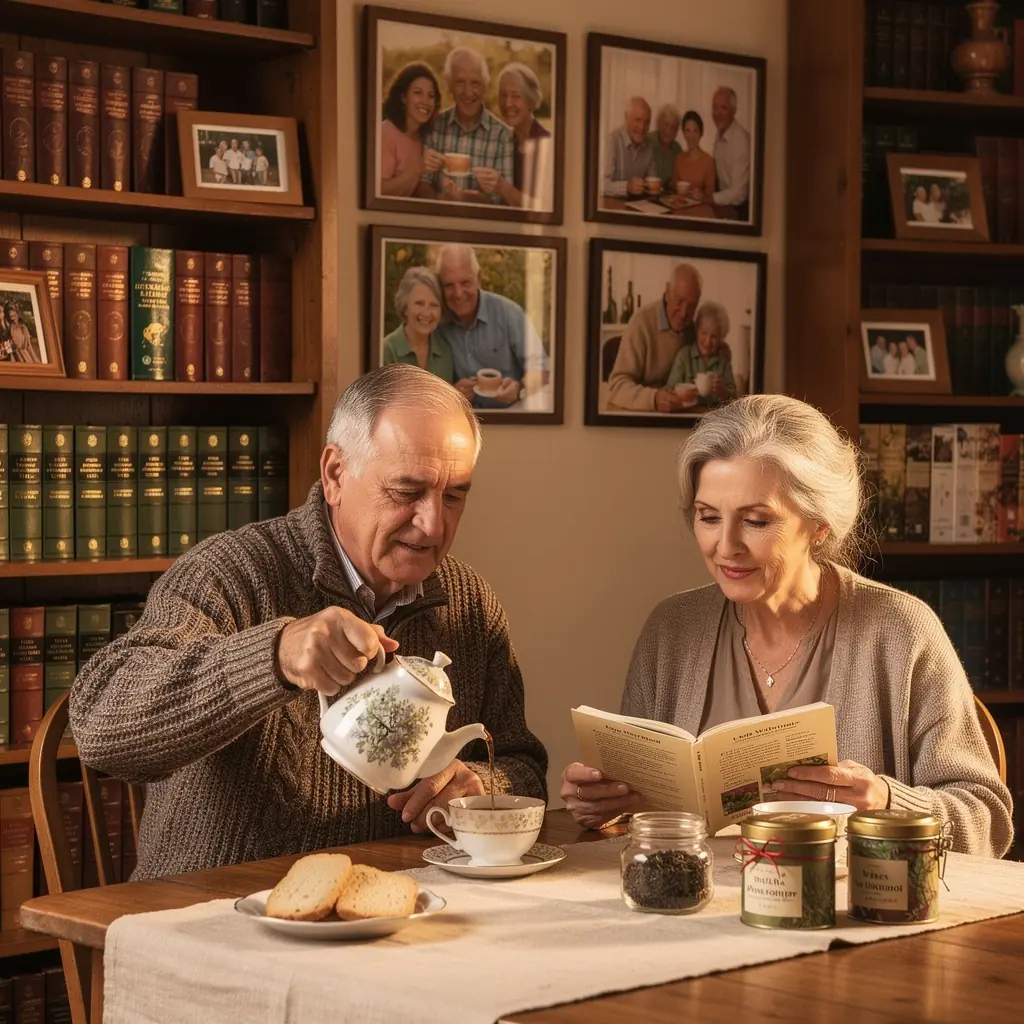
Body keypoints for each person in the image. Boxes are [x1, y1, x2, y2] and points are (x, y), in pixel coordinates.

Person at [69, 364, 548, 878]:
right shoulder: (230, 573)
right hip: (214, 917)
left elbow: (523, 766)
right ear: (335, 474)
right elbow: (102, 726)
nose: (434, 524)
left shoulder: (468, 602)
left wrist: (475, 784)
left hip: (395, 912)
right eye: (407, 493)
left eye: (454, 495)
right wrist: (273, 657)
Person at [560, 395, 1013, 857]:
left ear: (818, 525)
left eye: (756, 521)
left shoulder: (900, 632)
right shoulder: (672, 630)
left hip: (845, 913)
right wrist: (606, 803)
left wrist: (886, 803)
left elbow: (988, 819)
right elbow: (642, 814)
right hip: (693, 908)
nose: (726, 546)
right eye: (708, 517)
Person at [432, 243, 548, 410]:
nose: (458, 293)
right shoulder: (436, 322)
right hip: (462, 422)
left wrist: (520, 388)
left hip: (509, 417)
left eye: (465, 283)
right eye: (449, 285)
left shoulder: (508, 313)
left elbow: (541, 367)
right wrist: (451, 393)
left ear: (479, 278)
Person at [420, 47, 514, 204]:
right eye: (460, 82)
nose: (468, 92)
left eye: (475, 83)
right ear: (449, 85)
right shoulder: (434, 125)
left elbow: (505, 201)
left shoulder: (502, 135)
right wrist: (439, 201)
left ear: (485, 86)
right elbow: (422, 183)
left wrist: (475, 201)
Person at [607, 262, 702, 412]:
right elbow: (617, 386)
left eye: (691, 306)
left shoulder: (694, 329)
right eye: (679, 302)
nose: (684, 313)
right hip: (643, 420)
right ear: (667, 291)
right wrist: (654, 398)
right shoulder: (641, 322)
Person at [488, 61, 552, 210]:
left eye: (516, 97)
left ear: (531, 101)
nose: (508, 103)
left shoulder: (548, 145)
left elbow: (547, 208)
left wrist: (503, 187)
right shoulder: (501, 141)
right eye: (503, 96)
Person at [379, 61, 443, 198]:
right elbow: (378, 192)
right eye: (418, 93)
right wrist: (418, 168)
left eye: (431, 96)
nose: (425, 101)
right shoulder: (385, 133)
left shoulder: (423, 138)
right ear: (403, 97)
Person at [382, 267, 454, 383]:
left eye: (434, 305)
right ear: (405, 307)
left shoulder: (445, 350)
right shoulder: (387, 350)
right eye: (419, 303)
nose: (426, 312)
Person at [665, 301, 737, 402]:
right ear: (696, 330)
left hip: (713, 415)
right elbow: (669, 389)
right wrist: (681, 394)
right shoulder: (684, 356)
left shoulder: (723, 360)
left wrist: (723, 392)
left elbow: (735, 399)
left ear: (721, 338)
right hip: (688, 414)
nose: (707, 341)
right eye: (704, 333)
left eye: (714, 336)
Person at [698, 86, 750, 219]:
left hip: (739, 211)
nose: (717, 113)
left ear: (734, 111)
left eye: (723, 108)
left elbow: (739, 193)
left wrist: (710, 198)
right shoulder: (720, 133)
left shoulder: (741, 141)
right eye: (714, 108)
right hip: (723, 204)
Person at [602, 97, 655, 197]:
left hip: (639, 207)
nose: (642, 127)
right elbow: (601, 185)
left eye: (646, 122)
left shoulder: (649, 145)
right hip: (614, 208)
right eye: (638, 120)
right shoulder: (612, 141)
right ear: (626, 118)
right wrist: (626, 187)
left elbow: (652, 179)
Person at [671, 110, 716, 200]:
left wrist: (702, 195)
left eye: (695, 131)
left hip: (701, 207)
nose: (691, 136)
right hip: (681, 206)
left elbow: (711, 195)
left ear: (701, 133)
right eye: (688, 130)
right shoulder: (679, 159)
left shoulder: (708, 161)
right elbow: (674, 188)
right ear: (683, 133)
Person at [648, 103, 682, 190]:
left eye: (673, 127)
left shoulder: (677, 149)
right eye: (666, 125)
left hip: (667, 197)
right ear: (658, 123)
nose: (668, 130)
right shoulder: (647, 142)